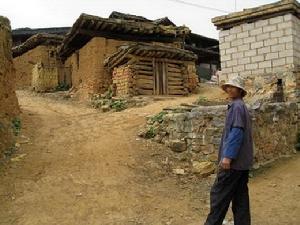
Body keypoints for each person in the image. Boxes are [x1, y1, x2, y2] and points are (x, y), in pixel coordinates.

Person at [204, 76, 254, 225]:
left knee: (219, 196)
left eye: (233, 87)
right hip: (242, 164)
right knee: (240, 198)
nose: (229, 89)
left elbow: (237, 132)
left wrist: (228, 156)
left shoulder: (237, 107)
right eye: (228, 87)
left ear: (240, 90)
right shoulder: (240, 106)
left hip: (233, 164)